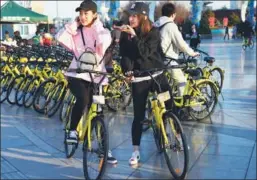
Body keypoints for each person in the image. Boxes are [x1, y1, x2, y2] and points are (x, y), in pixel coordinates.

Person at [55, 0, 117, 164]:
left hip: (97, 76)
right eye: (80, 14)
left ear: (94, 14)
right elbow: (59, 37)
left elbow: (104, 43)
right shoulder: (75, 31)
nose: (82, 17)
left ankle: (104, 148)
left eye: (86, 13)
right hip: (76, 74)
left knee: (99, 112)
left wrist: (95, 24)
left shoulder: (102, 31)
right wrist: (73, 24)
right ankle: (73, 130)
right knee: (83, 99)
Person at [119, 2, 175, 165]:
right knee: (138, 116)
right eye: (130, 15)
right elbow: (125, 56)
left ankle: (175, 134)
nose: (131, 19)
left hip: (157, 75)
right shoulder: (126, 33)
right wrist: (127, 71)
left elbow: (144, 53)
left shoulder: (153, 32)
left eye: (135, 15)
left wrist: (135, 37)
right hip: (140, 79)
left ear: (143, 17)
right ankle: (135, 151)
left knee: (169, 105)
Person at [154, 2, 199, 97]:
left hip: (156, 59)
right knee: (182, 82)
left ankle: (163, 104)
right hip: (168, 60)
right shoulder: (171, 26)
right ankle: (181, 107)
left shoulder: (155, 24)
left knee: (163, 86)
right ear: (173, 14)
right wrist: (192, 53)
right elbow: (181, 44)